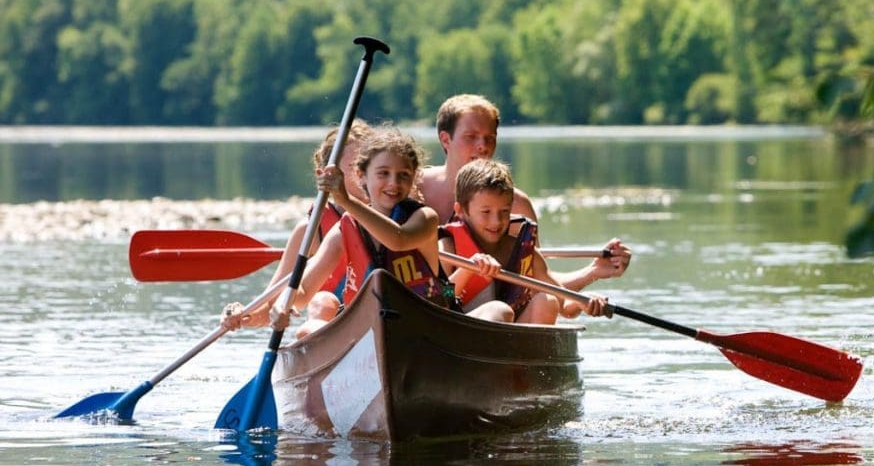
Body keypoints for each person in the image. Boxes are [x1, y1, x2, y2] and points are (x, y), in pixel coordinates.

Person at [417, 93, 632, 291]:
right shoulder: (412, 188)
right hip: (425, 300)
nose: (483, 146)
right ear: (446, 139)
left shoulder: (516, 204)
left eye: (490, 137)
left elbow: (541, 283)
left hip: (486, 310)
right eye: (471, 136)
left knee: (540, 303)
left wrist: (593, 272)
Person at [270, 125, 457, 330]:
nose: (393, 183)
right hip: (368, 328)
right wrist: (282, 303)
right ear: (361, 175)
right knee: (308, 329)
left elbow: (398, 240)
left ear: (414, 177)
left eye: (403, 175)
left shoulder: (425, 217)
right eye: (383, 173)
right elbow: (304, 291)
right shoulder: (346, 228)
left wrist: (346, 200)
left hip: (423, 324)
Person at [220, 120, 371, 331]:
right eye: (355, 167)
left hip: (382, 314)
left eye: (369, 165)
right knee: (322, 301)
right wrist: (242, 316)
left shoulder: (392, 215)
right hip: (334, 323)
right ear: (326, 175)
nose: (364, 174)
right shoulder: (310, 230)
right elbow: (269, 307)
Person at [440, 159, 608, 325]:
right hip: (460, 330)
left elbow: (565, 306)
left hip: (510, 339)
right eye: (486, 212)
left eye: (504, 211)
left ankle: (529, 352)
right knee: (499, 310)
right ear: (461, 211)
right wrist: (466, 269)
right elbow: (442, 298)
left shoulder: (526, 254)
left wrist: (584, 303)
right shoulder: (448, 246)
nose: (496, 221)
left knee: (547, 301)